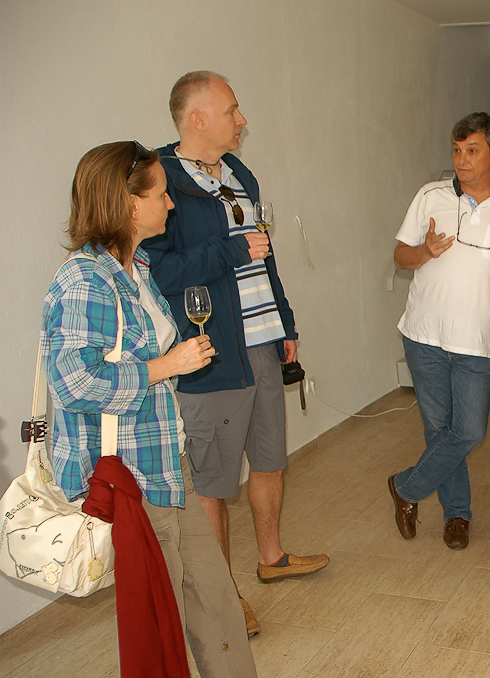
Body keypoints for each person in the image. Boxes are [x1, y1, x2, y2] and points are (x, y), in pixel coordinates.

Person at [43, 141, 256, 677]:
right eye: (162, 194)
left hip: (166, 466)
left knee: (218, 605)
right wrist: (167, 365)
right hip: (130, 480)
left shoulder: (135, 267)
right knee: (161, 625)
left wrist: (173, 362)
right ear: (128, 203)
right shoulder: (84, 281)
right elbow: (74, 383)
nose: (171, 203)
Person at [143, 71, 327, 636]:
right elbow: (159, 272)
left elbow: (263, 254)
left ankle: (271, 558)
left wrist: (284, 320)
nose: (242, 120)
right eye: (232, 110)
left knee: (269, 459)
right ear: (197, 118)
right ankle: (222, 599)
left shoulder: (239, 174)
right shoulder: (160, 180)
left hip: (263, 342)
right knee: (214, 483)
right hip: (212, 352)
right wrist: (227, 250)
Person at [389, 112, 490, 550]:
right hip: (423, 336)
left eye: (472, 151)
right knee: (439, 431)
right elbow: (400, 256)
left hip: (475, 343)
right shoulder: (430, 196)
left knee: (470, 431)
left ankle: (406, 486)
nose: (461, 160)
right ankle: (457, 515)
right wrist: (425, 250)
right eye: (457, 151)